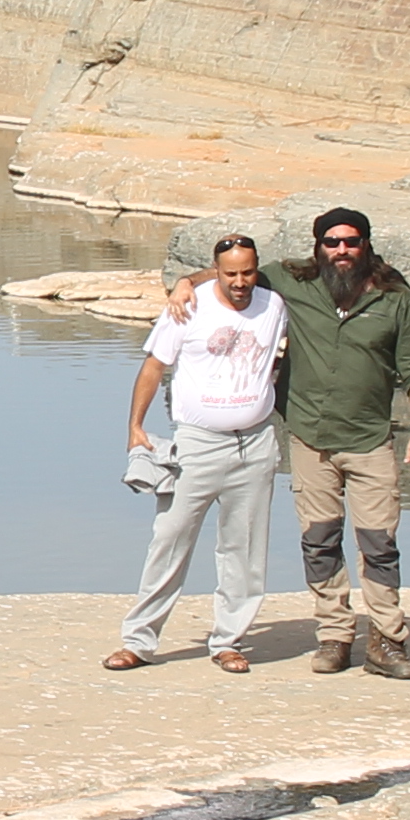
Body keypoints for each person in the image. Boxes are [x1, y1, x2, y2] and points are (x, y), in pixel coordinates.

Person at [105, 230, 287, 675]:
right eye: (230, 274)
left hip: (257, 443)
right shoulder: (189, 306)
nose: (240, 282)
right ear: (216, 272)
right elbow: (154, 365)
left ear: (257, 270)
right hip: (197, 444)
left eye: (247, 273)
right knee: (169, 539)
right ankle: (140, 641)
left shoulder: (274, 305)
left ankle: (228, 641)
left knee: (244, 549)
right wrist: (134, 426)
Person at [279, 207, 410, 678]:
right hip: (310, 438)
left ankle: (387, 640)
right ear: (318, 246)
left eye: (351, 241)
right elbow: (234, 275)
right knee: (319, 540)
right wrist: (189, 283)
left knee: (379, 543)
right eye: (332, 242)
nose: (342, 250)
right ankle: (334, 636)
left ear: (366, 244)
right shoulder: (293, 283)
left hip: (370, 439)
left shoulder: (394, 298)